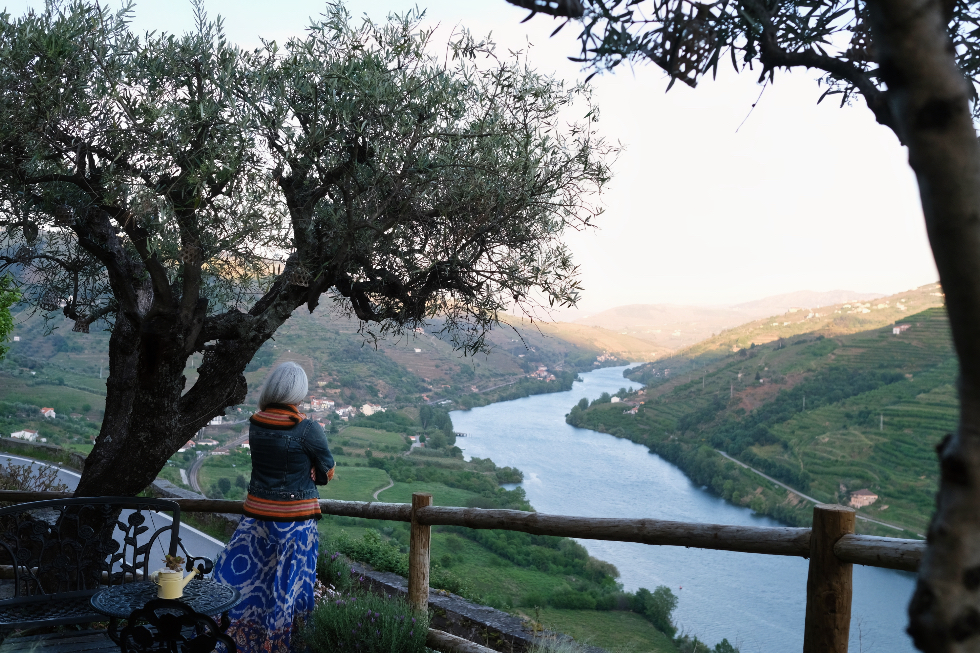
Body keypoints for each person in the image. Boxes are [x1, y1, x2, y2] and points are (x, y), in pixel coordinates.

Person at [212, 362, 335, 653]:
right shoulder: (307, 429)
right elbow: (327, 471)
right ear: (299, 391)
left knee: (252, 584)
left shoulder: (256, 423)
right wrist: (316, 471)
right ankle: (280, 646)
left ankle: (236, 639)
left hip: (257, 519)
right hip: (296, 526)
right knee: (288, 590)